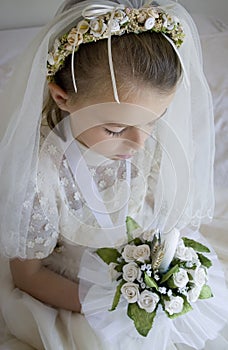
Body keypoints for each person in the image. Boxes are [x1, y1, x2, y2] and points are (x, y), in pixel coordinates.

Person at [0, 0, 227, 349]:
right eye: (116, 129)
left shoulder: (141, 132)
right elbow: (27, 275)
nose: (140, 142)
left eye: (154, 119)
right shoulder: (38, 177)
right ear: (62, 97)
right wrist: (114, 305)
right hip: (74, 284)